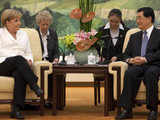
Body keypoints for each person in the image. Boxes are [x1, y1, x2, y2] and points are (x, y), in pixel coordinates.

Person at [116, 7, 160, 120]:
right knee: (130, 73)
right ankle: (127, 110)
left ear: (149, 18)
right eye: (137, 18)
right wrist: (130, 60)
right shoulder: (134, 36)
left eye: (140, 18)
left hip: (154, 64)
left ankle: (153, 110)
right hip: (137, 65)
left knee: (151, 73)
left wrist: (145, 59)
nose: (137, 21)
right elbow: (125, 54)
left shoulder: (158, 34)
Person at [0, 9, 43, 119]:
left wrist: (29, 60)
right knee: (19, 59)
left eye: (19, 20)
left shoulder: (23, 34)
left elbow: (28, 52)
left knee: (20, 73)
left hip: (20, 65)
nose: (19, 23)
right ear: (7, 22)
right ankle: (34, 85)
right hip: (3, 64)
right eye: (16, 21)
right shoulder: (0, 33)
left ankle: (16, 109)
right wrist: (17, 57)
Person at [94, 8, 129, 110]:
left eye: (116, 22)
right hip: (107, 61)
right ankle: (110, 103)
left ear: (120, 20)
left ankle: (120, 101)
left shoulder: (126, 31)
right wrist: (101, 55)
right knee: (108, 75)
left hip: (121, 61)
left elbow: (128, 49)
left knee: (119, 75)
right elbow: (96, 44)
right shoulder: (102, 30)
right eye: (111, 21)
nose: (113, 24)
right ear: (108, 19)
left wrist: (118, 57)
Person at [35, 10, 64, 109]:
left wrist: (56, 58)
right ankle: (40, 100)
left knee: (57, 75)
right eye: (43, 24)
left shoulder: (53, 33)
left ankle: (55, 101)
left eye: (47, 24)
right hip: (38, 62)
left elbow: (56, 50)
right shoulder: (34, 33)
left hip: (50, 62)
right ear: (38, 23)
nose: (45, 27)